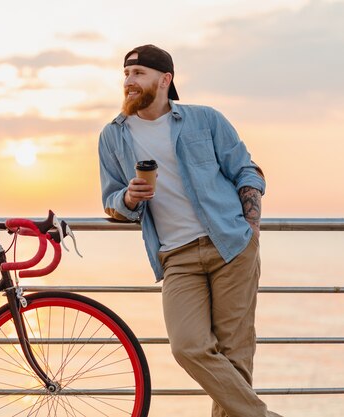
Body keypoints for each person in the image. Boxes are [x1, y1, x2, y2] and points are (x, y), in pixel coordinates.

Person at [98, 44, 282, 417]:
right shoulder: (112, 136)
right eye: (126, 75)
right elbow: (110, 201)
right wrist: (129, 199)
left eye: (139, 74)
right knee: (187, 347)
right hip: (176, 256)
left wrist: (251, 228)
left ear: (165, 80)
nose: (129, 82)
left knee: (234, 356)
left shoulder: (206, 119)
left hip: (231, 245)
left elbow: (247, 171)